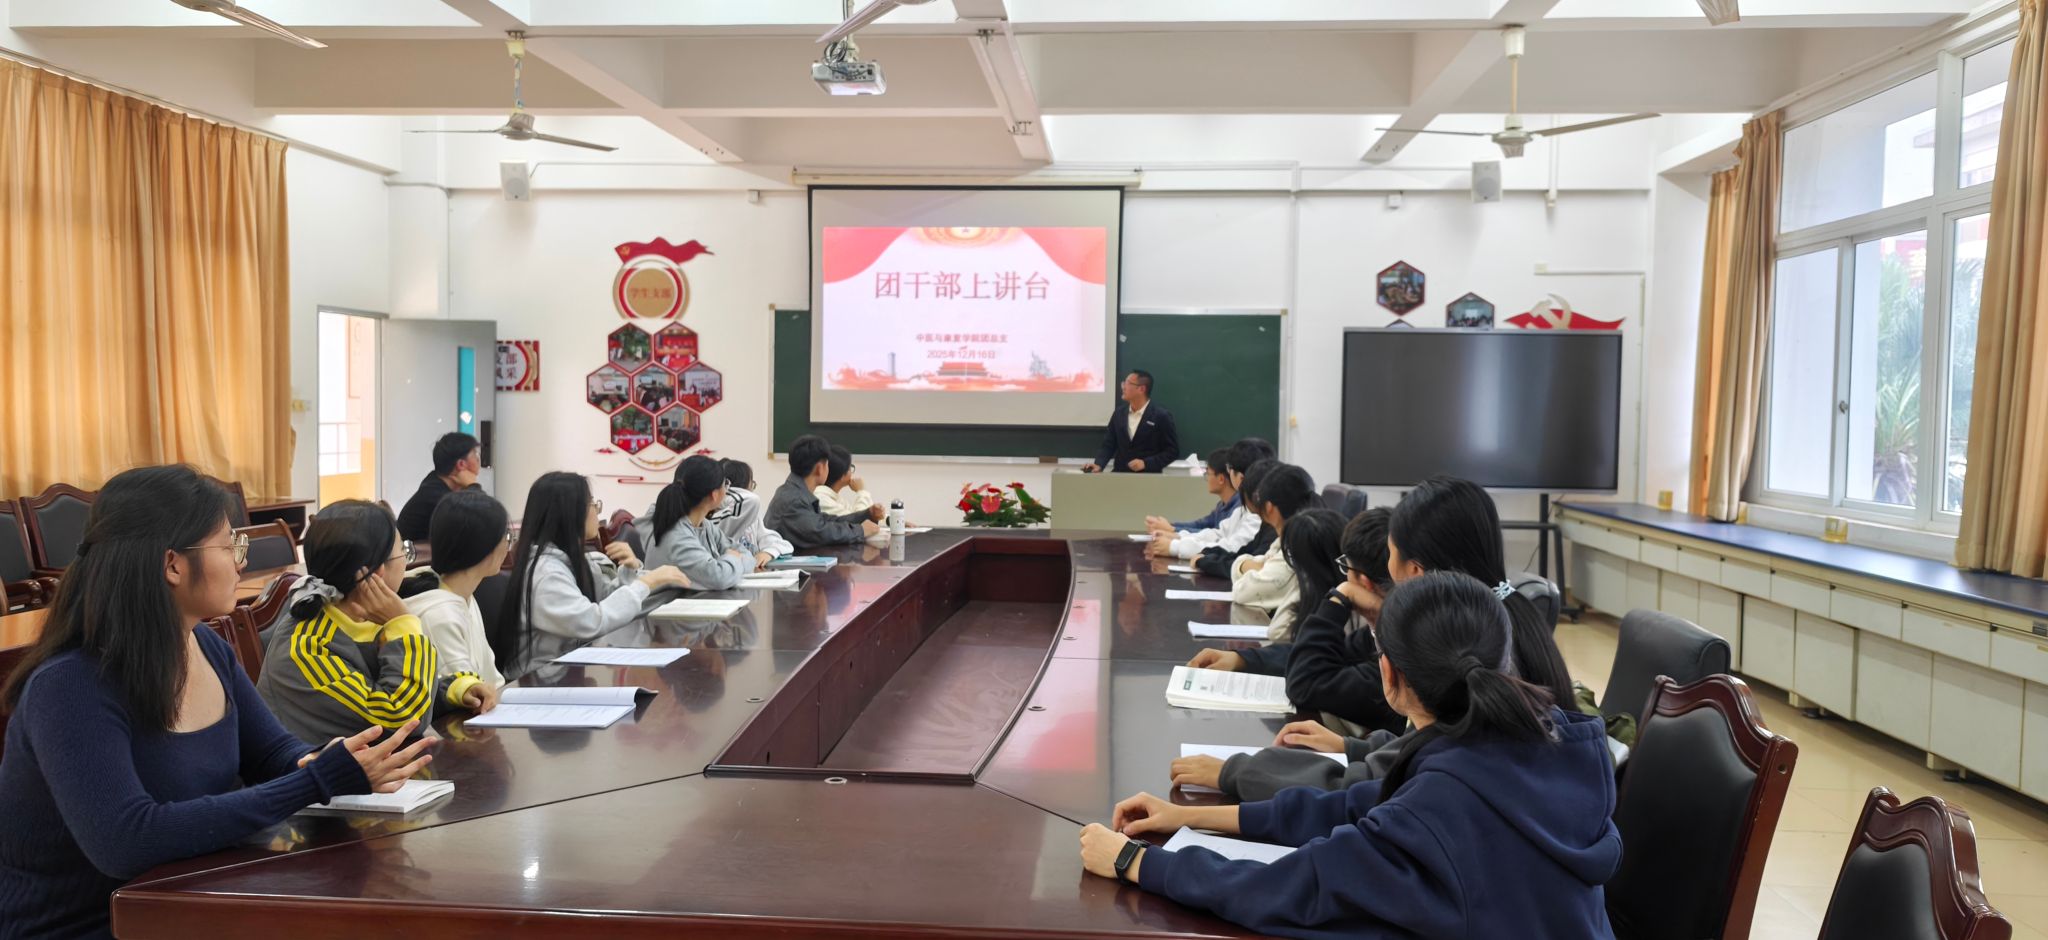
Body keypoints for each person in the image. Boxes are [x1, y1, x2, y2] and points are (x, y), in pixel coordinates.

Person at [0, 466, 434, 938]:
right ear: (172, 565)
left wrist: (322, 760)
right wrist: (315, 781)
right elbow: (126, 841)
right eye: (230, 547)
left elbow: (271, 753)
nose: (240, 563)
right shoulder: (70, 685)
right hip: (93, 925)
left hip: (195, 898)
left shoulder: (205, 645)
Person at [1080, 571, 1622, 940]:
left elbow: (1295, 888)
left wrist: (1136, 862)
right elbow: (1356, 805)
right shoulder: (1550, 746)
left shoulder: (1441, 800)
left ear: (1389, 673)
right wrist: (1190, 816)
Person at [1172, 475, 1581, 802]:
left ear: (1415, 571)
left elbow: (1389, 787)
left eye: (1391, 553)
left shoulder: (1452, 644)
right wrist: (1354, 748)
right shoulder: (1501, 614)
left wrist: (1239, 773)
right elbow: (1421, 750)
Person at [257, 501, 497, 745]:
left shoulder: (365, 618)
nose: (407, 562)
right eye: (404, 552)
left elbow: (400, 690)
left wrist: (456, 691)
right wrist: (404, 627)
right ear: (379, 572)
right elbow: (401, 719)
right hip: (317, 768)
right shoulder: (307, 648)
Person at [1190, 508, 1402, 739]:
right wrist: (1242, 659)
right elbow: (1333, 653)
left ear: (1364, 582)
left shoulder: (1402, 651)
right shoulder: (1380, 632)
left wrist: (1338, 599)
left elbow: (1305, 682)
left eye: (1346, 567)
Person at [490, 472, 689, 676]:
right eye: (592, 504)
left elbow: (602, 601)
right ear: (571, 513)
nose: (597, 511)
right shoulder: (546, 573)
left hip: (566, 670)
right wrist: (646, 583)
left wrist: (629, 572)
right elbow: (591, 622)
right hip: (537, 679)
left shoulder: (576, 560)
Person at [400, 490, 514, 691]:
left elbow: (491, 679)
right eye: (506, 536)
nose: (508, 545)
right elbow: (469, 694)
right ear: (484, 546)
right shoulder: (440, 614)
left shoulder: (463, 595)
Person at [636, 455, 775, 591]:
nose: (727, 490)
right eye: (725, 484)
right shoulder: (676, 534)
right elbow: (718, 577)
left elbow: (747, 555)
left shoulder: (705, 525)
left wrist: (731, 561)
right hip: (668, 605)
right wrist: (732, 558)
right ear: (714, 495)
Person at [1226, 463, 1319, 641]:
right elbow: (1261, 561)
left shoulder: (1295, 550)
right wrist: (1250, 565)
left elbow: (1242, 592)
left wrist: (1245, 565)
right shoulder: (1288, 540)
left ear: (1269, 507)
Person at [1147, 438, 1273, 560]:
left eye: (1230, 468)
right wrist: (1178, 537)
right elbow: (1217, 534)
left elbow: (1232, 548)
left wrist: (1175, 546)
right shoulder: (1245, 507)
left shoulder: (1256, 510)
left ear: (1240, 478)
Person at [768, 435, 882, 547]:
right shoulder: (795, 500)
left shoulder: (794, 491)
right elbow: (820, 532)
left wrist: (867, 514)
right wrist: (860, 531)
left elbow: (827, 521)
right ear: (819, 468)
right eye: (827, 464)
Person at [1084, 370, 1179, 473]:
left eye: (1127, 383)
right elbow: (1109, 444)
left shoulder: (1161, 416)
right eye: (1123, 383)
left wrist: (1146, 463)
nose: (1123, 387)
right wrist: (1099, 464)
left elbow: (1172, 451)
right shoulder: (1119, 413)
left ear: (1141, 389)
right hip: (1120, 475)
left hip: (1148, 477)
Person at [396, 432, 481, 542]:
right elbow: (482, 522)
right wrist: (473, 486)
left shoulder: (435, 484)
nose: (478, 460)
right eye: (475, 454)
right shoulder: (437, 496)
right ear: (461, 464)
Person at [709, 459, 795, 559]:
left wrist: (769, 552)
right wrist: (724, 492)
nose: (752, 490)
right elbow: (750, 499)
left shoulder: (751, 514)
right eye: (751, 484)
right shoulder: (720, 516)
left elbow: (781, 544)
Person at [1144, 449, 1234, 535]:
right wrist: (1168, 526)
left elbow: (1215, 536)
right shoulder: (1222, 505)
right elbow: (1200, 525)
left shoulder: (1237, 509)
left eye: (1208, 474)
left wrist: (1172, 529)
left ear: (1221, 479)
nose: (1206, 479)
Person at [813, 445, 877, 517]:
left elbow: (864, 515)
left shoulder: (836, 498)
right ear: (842, 475)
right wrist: (861, 492)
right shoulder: (822, 499)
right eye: (850, 467)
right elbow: (859, 520)